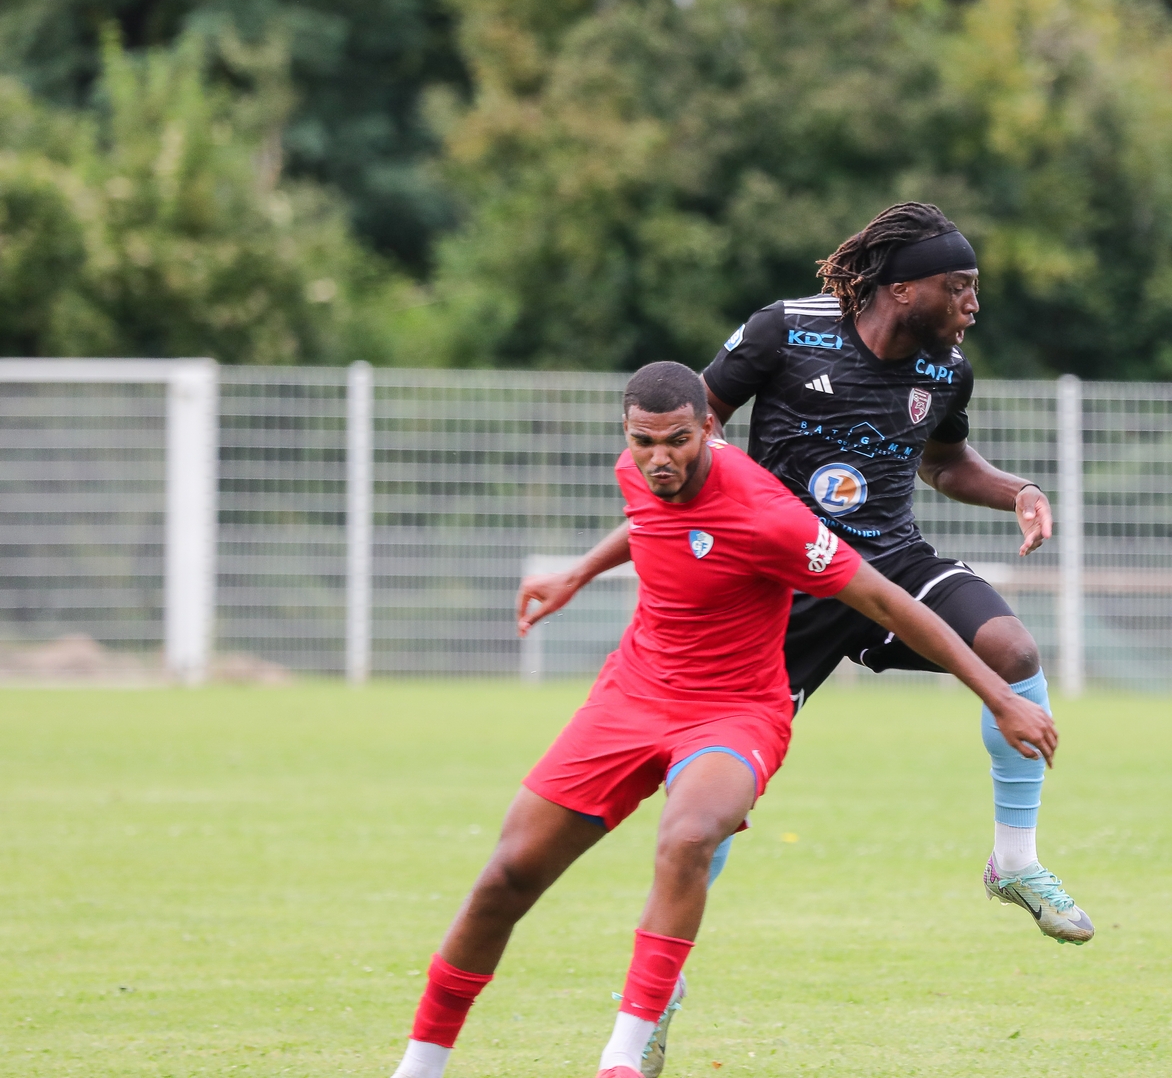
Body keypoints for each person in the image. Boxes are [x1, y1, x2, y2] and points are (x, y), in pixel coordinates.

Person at [388, 361, 1057, 1078]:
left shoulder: (770, 515)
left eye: (677, 440)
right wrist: (576, 573)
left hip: (733, 713)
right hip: (630, 697)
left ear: (709, 428)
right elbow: (650, 522)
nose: (659, 458)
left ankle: (622, 1057)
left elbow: (887, 602)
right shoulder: (637, 470)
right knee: (508, 874)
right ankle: (419, 1067)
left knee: (688, 836)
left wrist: (999, 694)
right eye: (643, 441)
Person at [520, 202, 1094, 953]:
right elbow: (692, 435)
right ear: (903, 290)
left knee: (1012, 651)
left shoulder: (947, 369)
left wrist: (1018, 490)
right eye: (958, 287)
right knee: (718, 797)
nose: (972, 304)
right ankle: (666, 971)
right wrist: (602, 561)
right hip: (780, 579)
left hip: (890, 562)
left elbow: (946, 463)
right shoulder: (785, 330)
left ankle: (1014, 863)